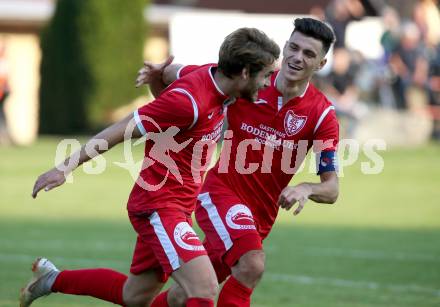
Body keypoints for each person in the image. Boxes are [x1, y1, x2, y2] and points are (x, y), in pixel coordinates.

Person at [19, 27, 279, 307]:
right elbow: (122, 128)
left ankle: (50, 279)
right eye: (265, 75)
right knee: (203, 287)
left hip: (179, 205)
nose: (267, 83)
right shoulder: (189, 103)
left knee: (136, 296)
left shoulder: (213, 77)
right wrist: (65, 167)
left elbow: (171, 73)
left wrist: (156, 74)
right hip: (158, 205)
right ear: (243, 73)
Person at [138, 18, 340, 307]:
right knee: (252, 264)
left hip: (261, 217)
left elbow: (332, 189)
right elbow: (173, 73)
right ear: (284, 47)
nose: (297, 57)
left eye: (308, 54)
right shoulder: (250, 80)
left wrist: (306, 188)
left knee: (183, 296)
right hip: (220, 194)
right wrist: (158, 74)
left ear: (320, 64)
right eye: (293, 48)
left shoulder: (322, 115)